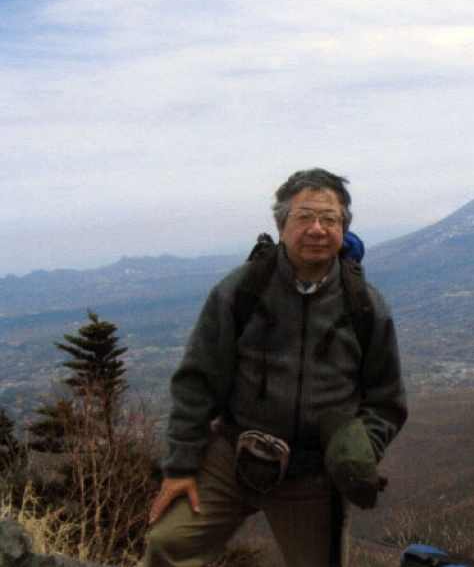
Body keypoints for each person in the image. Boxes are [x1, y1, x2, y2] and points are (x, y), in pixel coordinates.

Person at [144, 168, 407, 567]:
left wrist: (356, 450)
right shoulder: (241, 291)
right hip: (231, 455)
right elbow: (197, 381)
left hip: (311, 472)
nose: (317, 229)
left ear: (343, 229)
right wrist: (181, 466)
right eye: (304, 217)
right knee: (168, 544)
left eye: (329, 219)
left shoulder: (365, 306)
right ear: (282, 225)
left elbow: (386, 400)